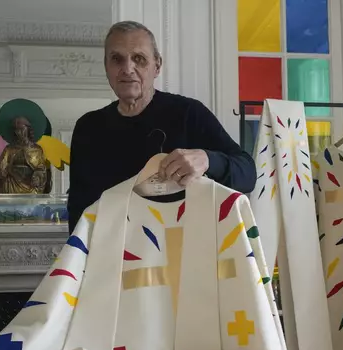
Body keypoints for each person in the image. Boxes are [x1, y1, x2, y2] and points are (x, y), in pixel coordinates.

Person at [67, 21, 256, 231]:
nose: (127, 68)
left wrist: (208, 159)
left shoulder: (188, 113)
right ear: (106, 67)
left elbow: (248, 173)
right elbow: (78, 209)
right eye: (117, 59)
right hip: (112, 255)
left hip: (181, 253)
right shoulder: (88, 128)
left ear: (157, 66)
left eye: (139, 59)